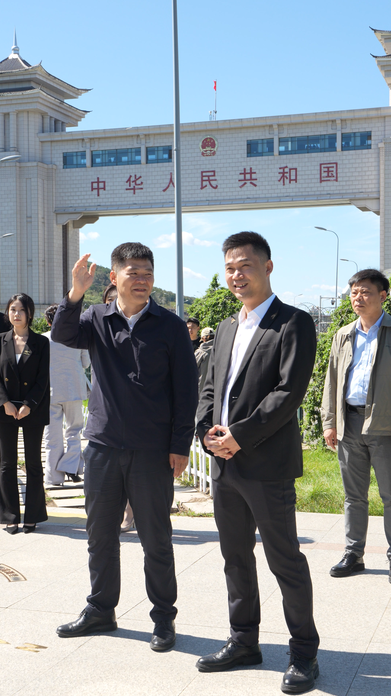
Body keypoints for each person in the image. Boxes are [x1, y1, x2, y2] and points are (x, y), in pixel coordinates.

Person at [52, 242, 198, 650]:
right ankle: (101, 609)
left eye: (148, 273)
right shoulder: (96, 317)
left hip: (152, 450)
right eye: (133, 272)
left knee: (156, 538)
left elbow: (186, 389)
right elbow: (62, 334)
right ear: (113, 278)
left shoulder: (169, 325)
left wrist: (180, 444)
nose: (143, 279)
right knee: (100, 534)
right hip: (102, 445)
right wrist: (75, 292)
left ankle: (164, 619)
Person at [196, 231, 319, 694]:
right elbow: (211, 386)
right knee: (234, 558)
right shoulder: (227, 326)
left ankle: (304, 653)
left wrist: (239, 437)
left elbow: (288, 393)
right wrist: (206, 432)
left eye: (245, 265)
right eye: (230, 267)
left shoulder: (293, 323)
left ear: (268, 267)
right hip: (224, 464)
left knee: (284, 559)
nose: (236, 275)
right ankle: (244, 640)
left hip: (266, 465)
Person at [321, 269, 391, 583]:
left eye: (365, 292)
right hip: (349, 421)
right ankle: (354, 553)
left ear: (383, 295)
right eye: (354, 293)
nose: (357, 298)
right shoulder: (343, 335)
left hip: (386, 424)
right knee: (354, 496)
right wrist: (329, 423)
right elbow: (332, 380)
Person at [0, 293, 49, 534]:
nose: (16, 314)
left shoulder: (41, 343)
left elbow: (42, 379)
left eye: (21, 310)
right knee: (7, 464)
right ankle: (9, 515)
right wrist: (5, 402)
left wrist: (29, 404)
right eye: (12, 309)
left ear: (29, 313)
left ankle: (33, 515)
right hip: (5, 409)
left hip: (33, 408)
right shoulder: (0, 340)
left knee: (33, 464)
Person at [43, 304, 90, 486]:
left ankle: (53, 476)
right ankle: (70, 467)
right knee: (75, 430)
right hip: (73, 389)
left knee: (52, 435)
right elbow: (86, 363)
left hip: (50, 391)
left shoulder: (42, 340)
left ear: (48, 323)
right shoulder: (78, 339)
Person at [102, 283, 135, 532]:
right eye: (108, 301)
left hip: (140, 424)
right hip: (109, 426)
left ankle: (131, 515)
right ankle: (123, 514)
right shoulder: (99, 328)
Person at [194, 327, 214, 394]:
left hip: (202, 389)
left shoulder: (200, 352)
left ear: (204, 338)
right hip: (216, 388)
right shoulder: (222, 350)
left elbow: (191, 368)